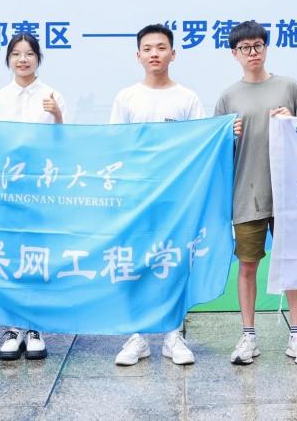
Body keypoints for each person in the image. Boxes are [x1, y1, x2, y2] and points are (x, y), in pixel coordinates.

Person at [214, 20, 297, 367]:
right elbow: (214, 151)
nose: (252, 52)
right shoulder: (228, 96)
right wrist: (227, 135)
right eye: (245, 48)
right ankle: (248, 336)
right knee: (247, 265)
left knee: (292, 264)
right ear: (234, 53)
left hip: (288, 195)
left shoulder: (289, 87)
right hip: (247, 194)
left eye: (258, 45)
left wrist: (293, 121)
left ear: (266, 47)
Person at [109, 24, 206, 367]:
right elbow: (116, 146)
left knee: (173, 261)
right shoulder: (126, 97)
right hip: (136, 196)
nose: (155, 54)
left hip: (175, 198)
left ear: (173, 54)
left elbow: (200, 145)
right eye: (148, 48)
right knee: (134, 261)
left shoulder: (187, 98)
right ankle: (136, 337)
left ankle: (172, 335)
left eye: (161, 47)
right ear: (138, 55)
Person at [0, 32, 66, 361]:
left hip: (41, 191)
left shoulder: (52, 95)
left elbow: (65, 146)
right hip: (7, 190)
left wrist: (57, 116)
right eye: (16, 54)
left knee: (37, 254)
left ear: (38, 58)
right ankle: (13, 327)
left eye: (29, 53)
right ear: (8, 59)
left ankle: (35, 327)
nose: (23, 59)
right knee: (11, 254)